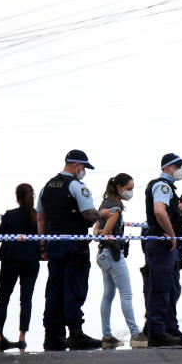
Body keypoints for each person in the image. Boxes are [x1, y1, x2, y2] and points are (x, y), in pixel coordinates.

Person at [38, 149, 110, 351]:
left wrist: (43, 246)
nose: (84, 171)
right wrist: (101, 213)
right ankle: (76, 334)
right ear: (77, 165)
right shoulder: (77, 186)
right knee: (74, 289)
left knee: (54, 290)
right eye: (84, 167)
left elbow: (41, 219)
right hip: (74, 246)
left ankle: (52, 336)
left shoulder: (46, 187)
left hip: (53, 245)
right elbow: (88, 214)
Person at [0, 184, 40, 352]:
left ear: (18, 197)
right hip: (31, 261)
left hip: (11, 260)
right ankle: (22, 338)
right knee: (26, 300)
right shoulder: (37, 216)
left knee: (3, 299)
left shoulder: (10, 215)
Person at [144, 152, 182, 347]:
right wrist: (171, 234)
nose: (180, 170)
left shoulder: (169, 188)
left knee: (171, 289)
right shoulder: (162, 186)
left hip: (167, 246)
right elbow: (159, 211)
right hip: (162, 244)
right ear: (167, 168)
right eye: (177, 166)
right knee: (160, 289)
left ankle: (170, 328)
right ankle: (156, 332)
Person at [95, 173, 142, 349]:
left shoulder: (104, 205)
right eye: (129, 189)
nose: (130, 192)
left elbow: (96, 232)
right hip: (113, 254)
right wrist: (105, 233)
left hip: (102, 255)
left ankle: (106, 336)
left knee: (108, 295)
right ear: (119, 187)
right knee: (126, 294)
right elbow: (106, 232)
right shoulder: (115, 208)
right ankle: (136, 334)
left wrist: (101, 233)